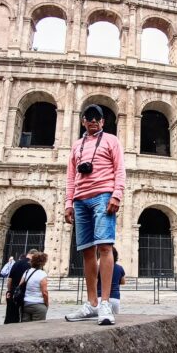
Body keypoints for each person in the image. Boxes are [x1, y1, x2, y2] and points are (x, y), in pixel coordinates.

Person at [64, 105, 126, 326]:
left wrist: (116, 195)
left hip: (103, 195)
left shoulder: (111, 140)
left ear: (103, 122)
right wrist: (68, 203)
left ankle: (105, 302)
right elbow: (71, 176)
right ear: (82, 121)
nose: (93, 121)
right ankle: (91, 303)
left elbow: (120, 169)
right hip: (80, 200)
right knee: (87, 251)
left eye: (97, 118)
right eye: (88, 118)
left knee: (106, 247)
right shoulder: (76, 146)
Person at [5, 249, 37, 324]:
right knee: (25, 316)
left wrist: (9, 290)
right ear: (33, 255)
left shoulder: (16, 263)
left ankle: (9, 329)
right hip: (26, 292)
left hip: (14, 292)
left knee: (11, 315)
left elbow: (9, 279)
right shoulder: (32, 265)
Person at [18, 252, 49, 322]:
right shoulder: (42, 274)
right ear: (43, 263)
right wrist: (46, 304)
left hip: (26, 304)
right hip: (38, 304)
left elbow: (20, 285)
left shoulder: (27, 272)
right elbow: (44, 292)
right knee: (37, 329)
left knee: (25, 327)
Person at [97, 247, 126, 314]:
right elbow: (123, 282)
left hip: (100, 297)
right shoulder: (119, 268)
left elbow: (94, 283)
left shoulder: (99, 268)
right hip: (114, 298)